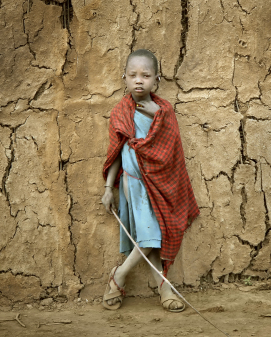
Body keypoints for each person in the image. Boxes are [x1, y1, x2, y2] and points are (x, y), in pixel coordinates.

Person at [101, 49, 199, 311]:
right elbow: (116, 155)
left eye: (145, 75)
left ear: (156, 79)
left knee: (152, 238)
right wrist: (108, 188)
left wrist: (158, 115)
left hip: (161, 185)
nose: (139, 80)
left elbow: (171, 152)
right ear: (124, 77)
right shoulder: (121, 112)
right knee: (149, 238)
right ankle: (163, 288)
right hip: (133, 185)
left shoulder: (164, 111)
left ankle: (120, 277)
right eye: (133, 75)